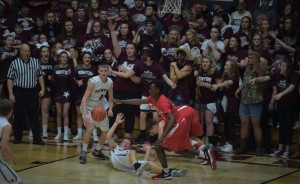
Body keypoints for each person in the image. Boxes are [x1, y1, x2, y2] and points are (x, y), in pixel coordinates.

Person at [115, 81, 216, 180]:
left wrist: (163, 136)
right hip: (177, 123)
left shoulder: (163, 102)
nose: (149, 90)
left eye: (152, 89)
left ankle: (166, 173)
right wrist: (121, 101)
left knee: (159, 147)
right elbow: (138, 101)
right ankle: (204, 154)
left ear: (157, 90)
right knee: (180, 151)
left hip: (177, 124)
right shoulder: (153, 98)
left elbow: (172, 119)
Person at [107, 113, 187, 179]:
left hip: (126, 166)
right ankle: (137, 167)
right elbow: (108, 136)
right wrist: (116, 123)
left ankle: (171, 171)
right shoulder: (116, 147)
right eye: (124, 142)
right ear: (120, 143)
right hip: (117, 160)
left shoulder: (129, 155)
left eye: (128, 144)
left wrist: (148, 150)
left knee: (150, 164)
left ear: (129, 147)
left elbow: (145, 164)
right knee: (133, 152)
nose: (125, 144)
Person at [7, 44, 45, 145]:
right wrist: (11, 94)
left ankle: (37, 138)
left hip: (32, 91)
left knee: (34, 115)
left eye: (28, 50)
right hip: (19, 91)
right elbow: (10, 79)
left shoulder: (35, 61)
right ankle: (17, 138)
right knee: (18, 115)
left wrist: (43, 88)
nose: (27, 53)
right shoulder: (14, 63)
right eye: (25, 51)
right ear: (21, 52)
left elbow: (40, 75)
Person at [79, 63, 114, 164]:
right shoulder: (93, 81)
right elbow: (84, 98)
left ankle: (97, 150)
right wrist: (85, 114)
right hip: (89, 107)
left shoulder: (110, 82)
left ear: (108, 72)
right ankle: (84, 152)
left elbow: (111, 99)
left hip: (100, 108)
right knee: (90, 128)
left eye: (105, 71)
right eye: (101, 71)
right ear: (98, 71)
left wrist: (110, 109)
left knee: (105, 133)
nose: (103, 73)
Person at [0, 99, 21, 183]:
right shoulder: (6, 125)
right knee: (16, 181)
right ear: (11, 111)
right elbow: (3, 147)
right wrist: (14, 158)